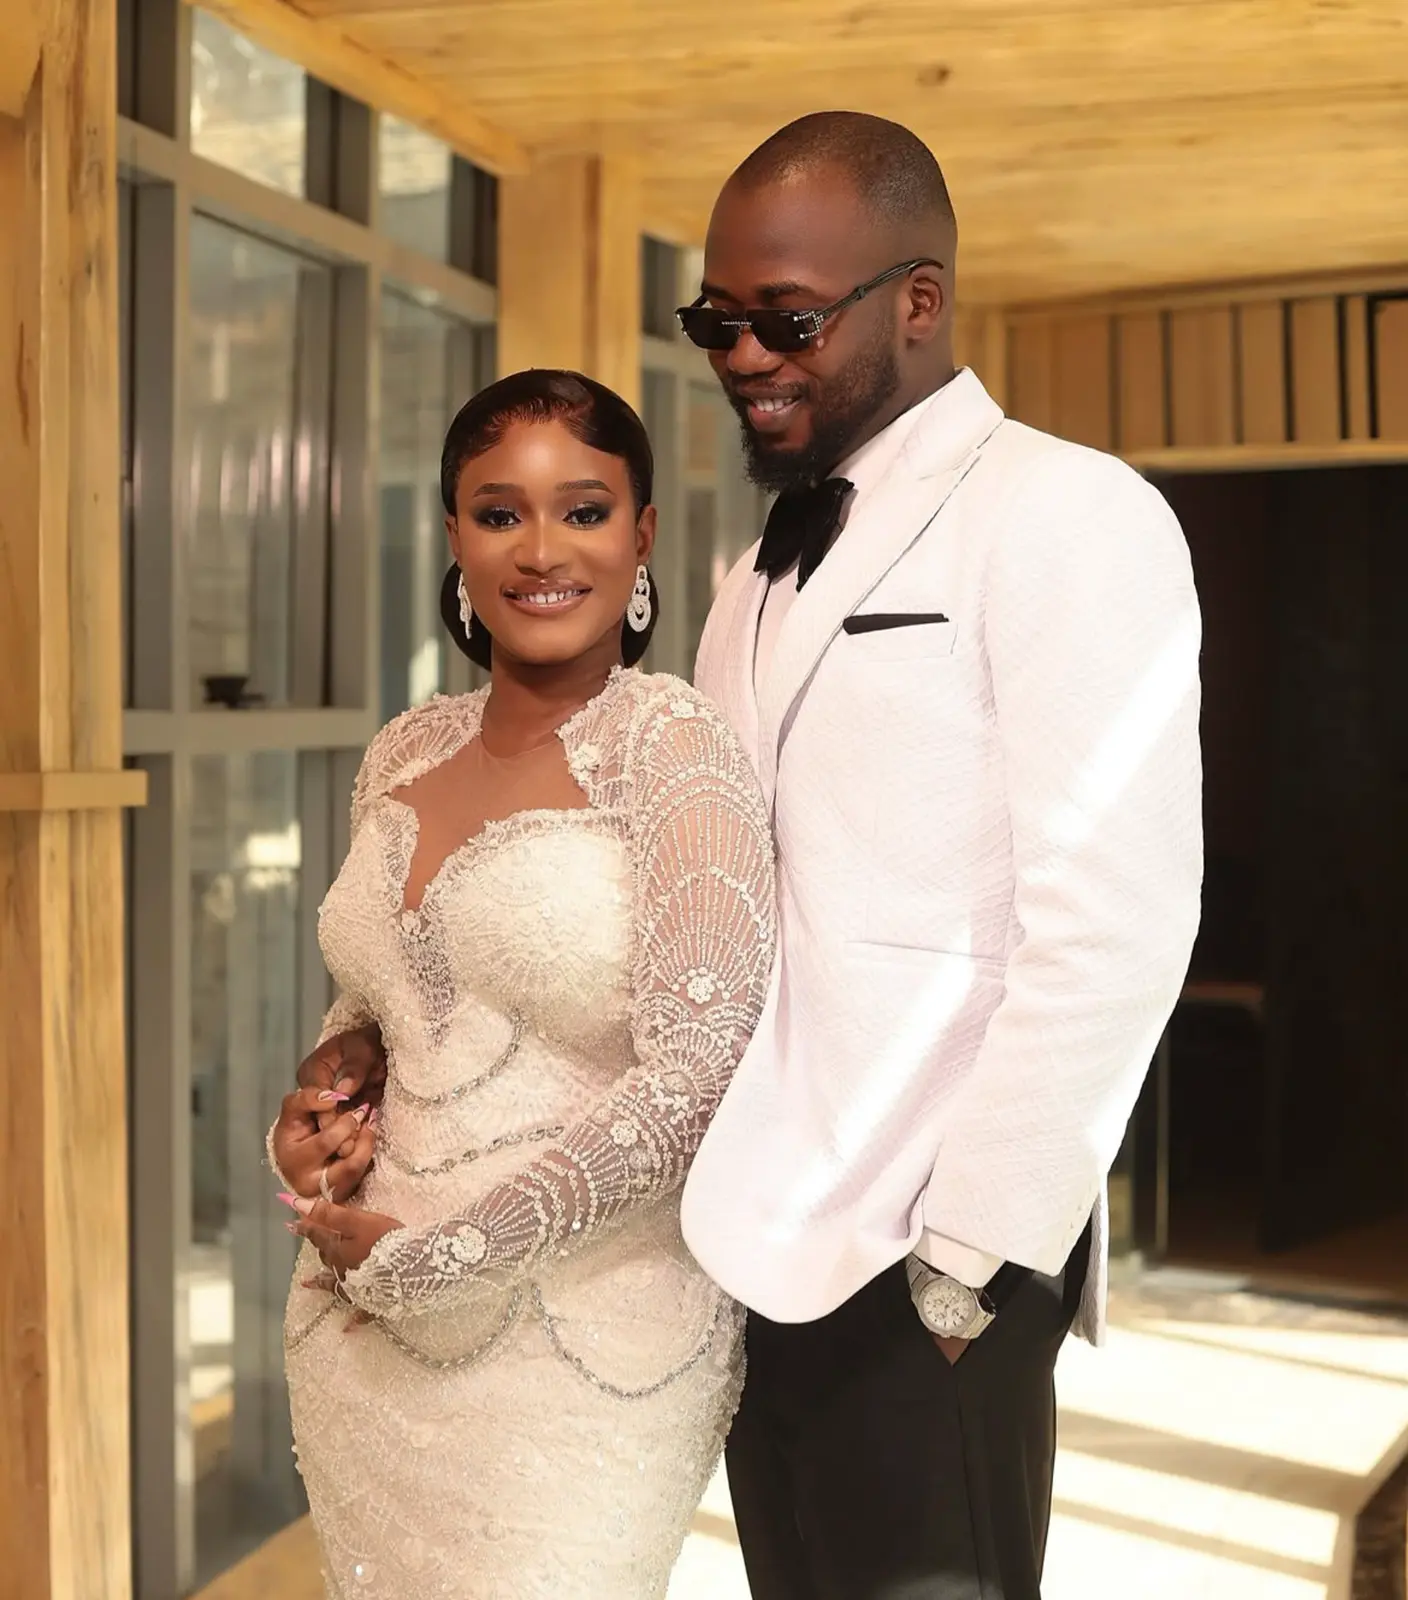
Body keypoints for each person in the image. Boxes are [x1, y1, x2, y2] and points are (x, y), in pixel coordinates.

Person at [676, 112, 1204, 1600]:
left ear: (918, 300)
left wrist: (973, 1257)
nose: (745, 356)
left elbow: (1117, 919)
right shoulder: (749, 573)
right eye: (717, 321)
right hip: (757, 1243)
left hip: (932, 1258)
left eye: (787, 319)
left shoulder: (1070, 510)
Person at [267, 369, 775, 1600]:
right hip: (359, 1328)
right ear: (454, 533)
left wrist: (445, 1256)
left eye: (583, 511)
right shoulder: (404, 748)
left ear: (641, 535)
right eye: (500, 513)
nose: (541, 550)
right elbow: (389, 1004)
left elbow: (702, 1076)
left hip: (582, 1351)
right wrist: (318, 1112)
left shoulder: (675, 747)